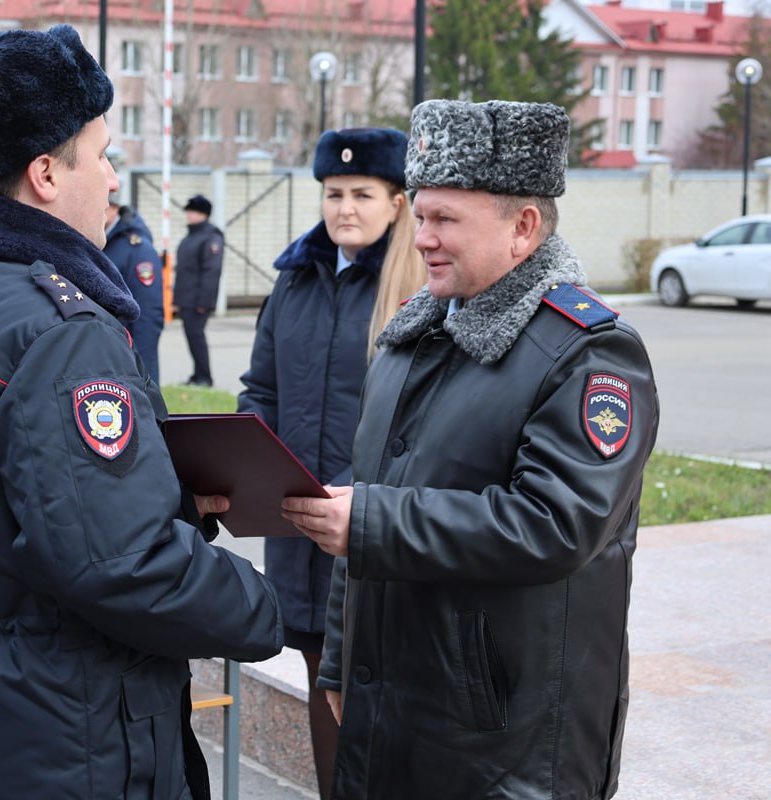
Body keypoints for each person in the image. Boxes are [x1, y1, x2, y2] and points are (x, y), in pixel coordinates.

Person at [0, 25, 282, 798]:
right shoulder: (59, 329)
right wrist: (263, 606)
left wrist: (159, 496)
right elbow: (117, 564)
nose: (113, 179)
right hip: (59, 732)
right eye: (101, 155)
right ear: (46, 176)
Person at [281, 100, 659, 799]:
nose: (421, 238)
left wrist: (368, 523)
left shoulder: (589, 354)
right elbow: (368, 508)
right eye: (420, 215)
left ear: (524, 228)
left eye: (445, 220)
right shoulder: (412, 336)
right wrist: (340, 664)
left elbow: (554, 523)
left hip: (505, 743)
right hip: (396, 708)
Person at [236, 127, 425, 800]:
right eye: (333, 193)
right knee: (322, 675)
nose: (345, 208)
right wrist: (248, 461)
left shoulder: (421, 287)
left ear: (398, 202)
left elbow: (425, 424)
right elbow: (263, 389)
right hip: (298, 521)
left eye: (362, 195)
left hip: (373, 528)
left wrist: (361, 503)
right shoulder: (297, 279)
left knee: (377, 684)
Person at [103, 190, 164, 384]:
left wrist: (143, 371)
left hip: (128, 351)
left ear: (114, 208)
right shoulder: (102, 241)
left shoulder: (137, 249)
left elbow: (147, 314)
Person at [173, 194, 223, 386]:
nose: (188, 215)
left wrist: (204, 302)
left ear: (203, 213)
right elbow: (185, 270)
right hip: (187, 299)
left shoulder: (211, 237)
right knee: (192, 338)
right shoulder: (192, 236)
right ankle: (197, 374)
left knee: (197, 337)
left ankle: (205, 377)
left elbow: (212, 271)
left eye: (192, 211)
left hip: (198, 301)